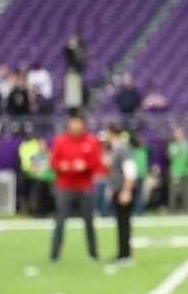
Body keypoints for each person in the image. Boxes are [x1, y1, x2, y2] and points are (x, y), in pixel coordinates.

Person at [48, 113, 103, 264]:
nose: (75, 127)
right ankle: (54, 255)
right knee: (60, 221)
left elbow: (96, 162)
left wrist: (84, 165)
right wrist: (62, 166)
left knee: (89, 221)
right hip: (65, 186)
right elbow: (53, 162)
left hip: (85, 186)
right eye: (73, 123)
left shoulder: (91, 141)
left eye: (78, 123)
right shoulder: (61, 141)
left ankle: (93, 254)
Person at [107, 125, 137, 264]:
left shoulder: (122, 148)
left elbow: (130, 171)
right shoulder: (117, 149)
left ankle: (125, 254)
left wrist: (127, 190)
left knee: (124, 222)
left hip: (123, 190)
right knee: (120, 222)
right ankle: (122, 253)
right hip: (118, 189)